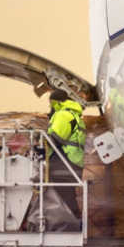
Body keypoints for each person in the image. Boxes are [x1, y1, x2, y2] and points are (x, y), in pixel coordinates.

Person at [45, 89, 86, 221]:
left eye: (51, 103)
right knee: (66, 193)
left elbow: (56, 137)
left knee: (63, 195)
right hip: (73, 161)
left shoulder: (63, 115)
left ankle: (72, 222)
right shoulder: (74, 114)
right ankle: (74, 220)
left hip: (64, 162)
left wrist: (40, 145)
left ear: (55, 102)